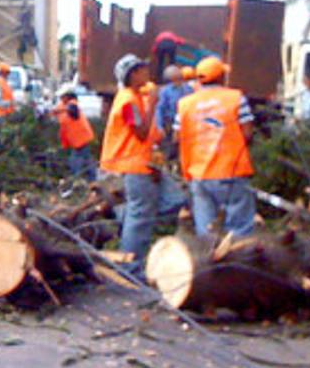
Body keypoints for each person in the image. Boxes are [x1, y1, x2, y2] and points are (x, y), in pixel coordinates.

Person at [174, 56, 256, 238]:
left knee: (206, 231)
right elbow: (248, 133)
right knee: (239, 229)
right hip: (230, 172)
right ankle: (238, 263)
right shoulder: (236, 98)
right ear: (220, 77)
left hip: (199, 174)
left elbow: (177, 136)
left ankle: (208, 262)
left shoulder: (185, 104)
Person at [100, 54, 164, 262]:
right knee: (139, 218)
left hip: (136, 165)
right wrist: (152, 103)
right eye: (143, 69)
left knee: (143, 212)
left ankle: (129, 254)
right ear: (133, 74)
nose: (147, 72)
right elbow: (141, 132)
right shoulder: (128, 101)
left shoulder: (131, 97)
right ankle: (130, 266)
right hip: (130, 167)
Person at [55, 88, 96, 179]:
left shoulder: (72, 105)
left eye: (63, 97)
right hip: (79, 139)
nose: (61, 99)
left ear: (68, 96)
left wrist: (61, 110)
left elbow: (72, 110)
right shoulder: (63, 107)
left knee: (76, 161)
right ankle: (91, 178)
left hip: (81, 139)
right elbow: (58, 113)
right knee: (86, 159)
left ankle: (77, 179)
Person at [155, 64, 191, 137]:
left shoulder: (188, 89)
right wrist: (160, 127)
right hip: (170, 124)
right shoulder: (165, 91)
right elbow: (160, 109)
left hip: (186, 123)